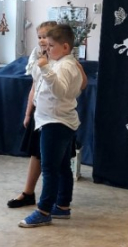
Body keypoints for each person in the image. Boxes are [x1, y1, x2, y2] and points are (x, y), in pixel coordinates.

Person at [19, 23, 85, 228]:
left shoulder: (66, 65)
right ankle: (62, 206)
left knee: (49, 168)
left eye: (51, 46)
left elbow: (60, 91)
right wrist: (43, 65)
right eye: (45, 46)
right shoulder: (59, 62)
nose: (47, 49)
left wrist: (45, 68)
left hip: (56, 123)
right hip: (53, 120)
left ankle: (43, 211)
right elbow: (41, 83)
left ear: (65, 47)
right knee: (63, 166)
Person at [8, 20, 55, 209]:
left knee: (54, 158)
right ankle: (28, 192)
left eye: (46, 36)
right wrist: (28, 113)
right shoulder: (37, 55)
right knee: (36, 153)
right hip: (39, 111)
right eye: (40, 37)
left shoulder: (60, 58)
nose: (42, 40)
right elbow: (34, 86)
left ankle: (58, 200)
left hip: (53, 112)